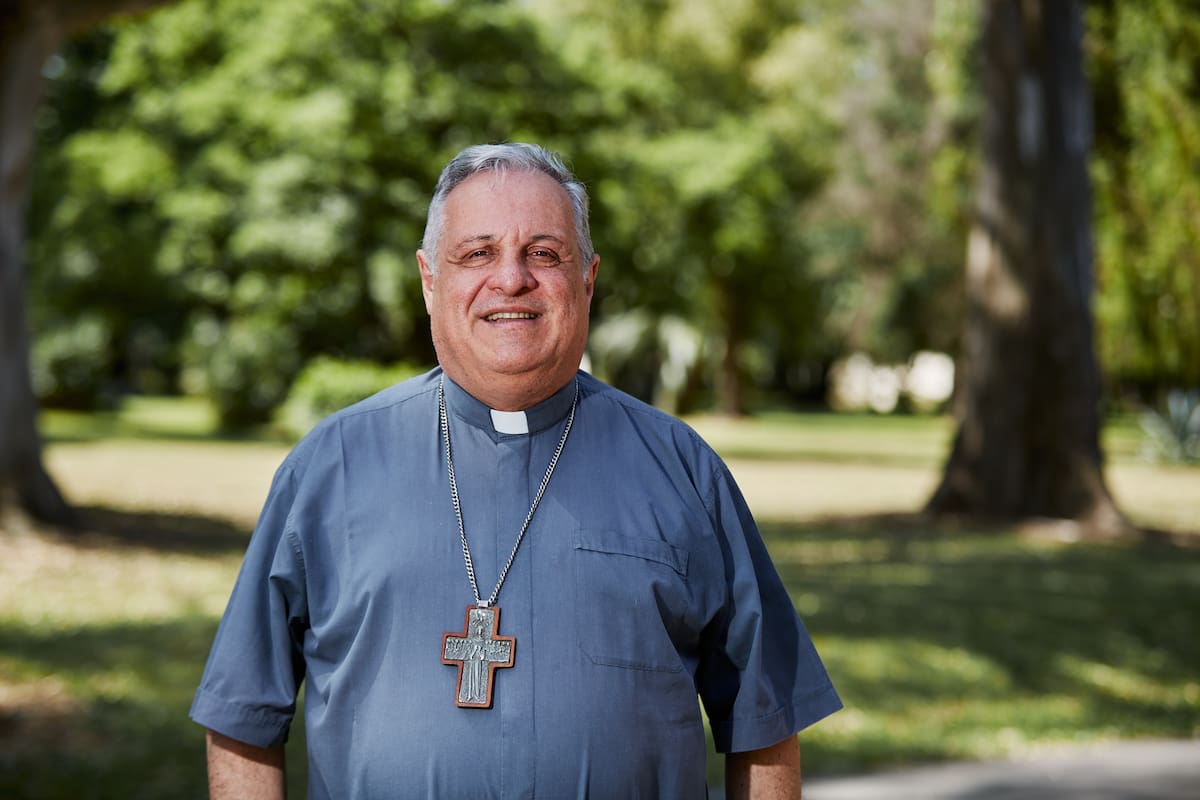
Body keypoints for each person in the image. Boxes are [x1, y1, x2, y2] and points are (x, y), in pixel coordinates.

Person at [191, 142, 842, 798]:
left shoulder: (683, 469)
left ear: (586, 279)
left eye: (544, 253)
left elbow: (763, 721)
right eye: (477, 253)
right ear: (429, 280)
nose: (511, 279)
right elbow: (243, 717)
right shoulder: (330, 466)